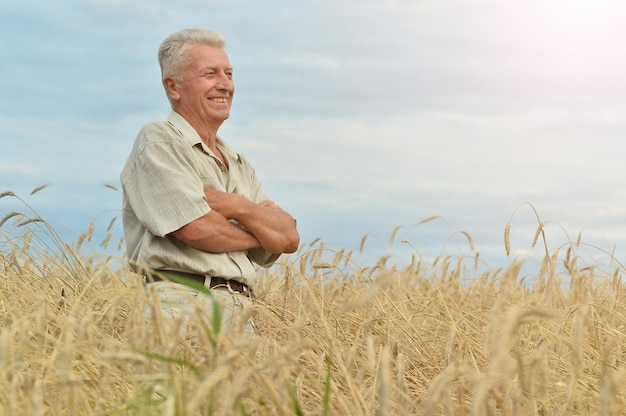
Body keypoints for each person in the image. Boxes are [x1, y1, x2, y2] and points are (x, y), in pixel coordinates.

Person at [120, 28, 300, 342]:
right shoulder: (159, 142)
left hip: (243, 313)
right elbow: (198, 230)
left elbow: (288, 238)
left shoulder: (239, 162)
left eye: (229, 73)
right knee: (177, 393)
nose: (225, 84)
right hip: (180, 306)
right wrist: (259, 230)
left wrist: (235, 206)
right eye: (210, 74)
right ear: (173, 87)